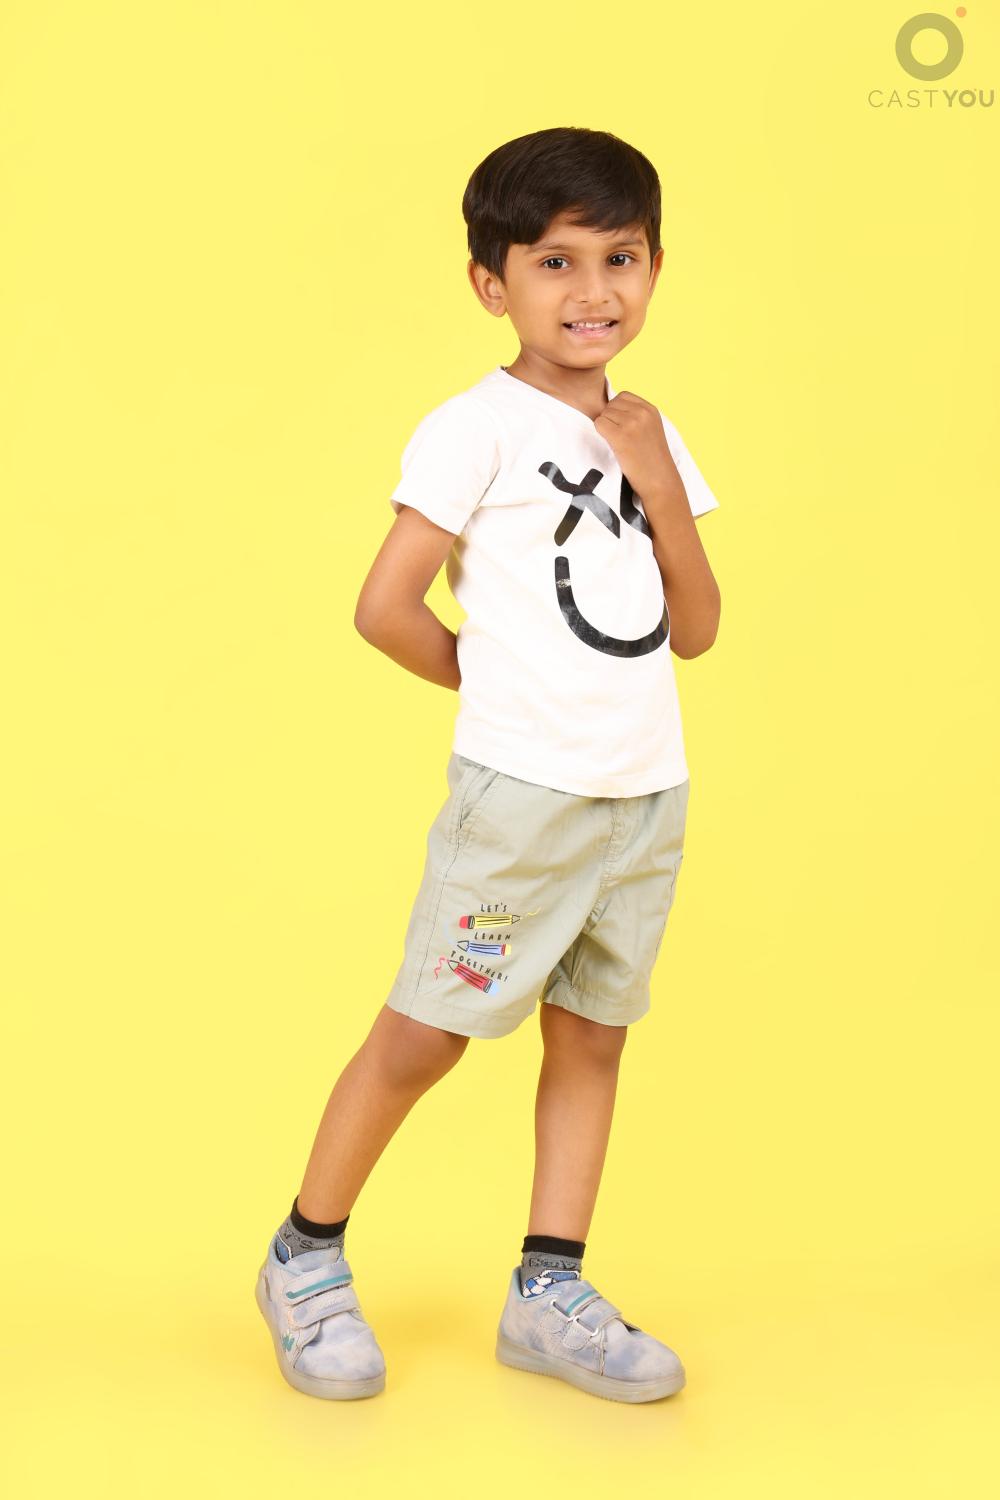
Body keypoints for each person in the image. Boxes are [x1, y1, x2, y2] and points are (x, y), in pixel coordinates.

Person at [255, 125, 722, 1405]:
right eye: (554, 261)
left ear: (655, 267)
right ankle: (304, 1255)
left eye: (619, 257)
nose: (592, 291)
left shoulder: (650, 432)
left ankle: (547, 1291)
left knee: (592, 1039)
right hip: (521, 806)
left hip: (643, 795)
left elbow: (694, 628)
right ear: (491, 283)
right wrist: (493, 681)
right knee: (428, 1032)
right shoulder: (475, 429)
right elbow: (384, 606)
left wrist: (657, 481)